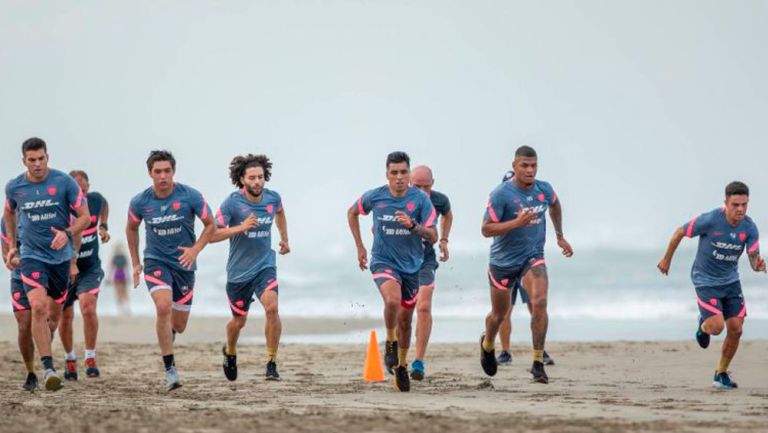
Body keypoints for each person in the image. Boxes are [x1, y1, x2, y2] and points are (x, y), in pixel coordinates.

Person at [479, 146, 572, 384]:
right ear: (514, 166)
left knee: (539, 302)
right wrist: (516, 223)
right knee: (499, 315)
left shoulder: (544, 189)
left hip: (533, 256)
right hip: (503, 262)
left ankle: (538, 362)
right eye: (525, 166)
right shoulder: (501, 194)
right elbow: (486, 229)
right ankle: (488, 343)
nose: (530, 170)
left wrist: (560, 235)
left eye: (533, 166)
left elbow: (555, 204)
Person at [657, 181, 764, 389]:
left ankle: (721, 373)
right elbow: (679, 232)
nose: (740, 209)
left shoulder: (750, 228)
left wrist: (757, 264)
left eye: (744, 204)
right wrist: (667, 259)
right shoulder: (710, 220)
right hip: (705, 280)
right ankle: (703, 325)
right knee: (716, 328)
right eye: (735, 205)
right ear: (726, 203)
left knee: (737, 329)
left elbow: (753, 258)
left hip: (731, 282)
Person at [3, 137, 91, 391]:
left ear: (47, 157)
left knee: (53, 317)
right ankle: (48, 369)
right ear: (24, 161)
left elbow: (84, 217)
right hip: (31, 257)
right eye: (32, 160)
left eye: (41, 158)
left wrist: (67, 232)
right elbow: (8, 212)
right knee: (37, 308)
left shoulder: (65, 183)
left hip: (60, 260)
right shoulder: (15, 187)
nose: (38, 164)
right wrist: (11, 246)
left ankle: (42, 344)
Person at [347, 151, 437, 392]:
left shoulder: (420, 200)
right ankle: (390, 340)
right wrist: (359, 246)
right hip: (383, 261)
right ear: (387, 174)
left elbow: (433, 235)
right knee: (392, 300)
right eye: (394, 173)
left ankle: (401, 365)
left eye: (403, 172)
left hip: (412, 266)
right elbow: (352, 212)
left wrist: (413, 226)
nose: (399, 177)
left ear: (409, 174)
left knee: (406, 322)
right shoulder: (376, 197)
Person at [126, 150, 215, 391]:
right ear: (150, 174)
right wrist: (135, 262)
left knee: (179, 324)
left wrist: (195, 250)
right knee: (163, 306)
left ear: (173, 172)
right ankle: (170, 369)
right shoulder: (140, 202)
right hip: (155, 262)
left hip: (184, 265)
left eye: (167, 171)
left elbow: (211, 224)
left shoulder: (191, 196)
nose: (162, 176)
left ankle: (170, 335)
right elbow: (131, 229)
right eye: (158, 172)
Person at [212, 154, 290, 382]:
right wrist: (241, 227)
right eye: (252, 178)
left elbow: (280, 212)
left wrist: (284, 238)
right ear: (242, 179)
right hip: (238, 273)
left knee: (272, 308)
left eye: (261, 177)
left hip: (265, 266)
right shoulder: (232, 203)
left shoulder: (273, 198)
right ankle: (230, 351)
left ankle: (271, 362)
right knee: (239, 321)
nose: (257, 182)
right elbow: (213, 234)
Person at [496, 171, 554, 366]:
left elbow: (550, 207)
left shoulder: (533, 202)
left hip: (530, 262)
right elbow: (489, 228)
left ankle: (540, 349)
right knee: (505, 310)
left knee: (536, 304)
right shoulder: (502, 202)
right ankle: (505, 351)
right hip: (507, 262)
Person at [59, 170, 110, 380]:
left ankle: (90, 357)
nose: (81, 189)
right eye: (76, 186)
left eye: (84, 185)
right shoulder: (62, 208)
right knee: (66, 315)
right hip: (64, 270)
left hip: (90, 268)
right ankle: (70, 359)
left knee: (88, 306)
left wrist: (103, 226)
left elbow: (104, 205)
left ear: (88, 185)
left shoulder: (95, 201)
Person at [408, 165, 452, 380]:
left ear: (433, 183)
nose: (422, 192)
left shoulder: (439, 200)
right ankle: (395, 354)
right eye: (417, 186)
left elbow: (448, 214)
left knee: (423, 306)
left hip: (425, 259)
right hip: (400, 260)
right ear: (409, 183)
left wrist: (444, 239)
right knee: (402, 311)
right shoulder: (398, 199)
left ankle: (418, 362)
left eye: (426, 186)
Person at [2, 218, 37, 390]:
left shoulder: (39, 212)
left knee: (49, 321)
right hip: (19, 277)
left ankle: (46, 355)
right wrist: (13, 261)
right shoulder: (6, 221)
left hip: (43, 274)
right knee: (24, 325)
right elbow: (5, 256)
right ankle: (31, 373)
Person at [108, 242, 131, 315]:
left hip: (117, 274)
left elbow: (111, 267)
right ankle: (126, 308)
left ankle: (120, 309)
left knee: (118, 292)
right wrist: (129, 277)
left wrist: (109, 278)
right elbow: (127, 267)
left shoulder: (114, 257)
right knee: (125, 292)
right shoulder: (124, 257)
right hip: (123, 274)